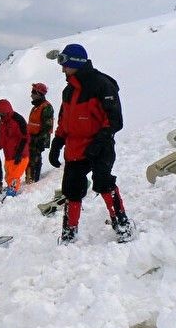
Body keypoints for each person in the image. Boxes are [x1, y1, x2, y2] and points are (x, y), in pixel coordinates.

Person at [48, 43, 134, 243]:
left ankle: (122, 224)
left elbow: (115, 120)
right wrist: (58, 141)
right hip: (75, 147)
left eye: (64, 64)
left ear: (76, 62)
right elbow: (65, 120)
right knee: (71, 189)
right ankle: (69, 232)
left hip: (99, 145)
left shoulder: (102, 85)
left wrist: (101, 140)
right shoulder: (68, 91)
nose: (62, 69)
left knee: (103, 183)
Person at [0, 99, 30, 195]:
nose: (1, 115)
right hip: (9, 155)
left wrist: (19, 152)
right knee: (8, 176)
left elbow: (25, 137)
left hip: (21, 155)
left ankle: (12, 192)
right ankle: (11, 186)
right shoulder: (2, 122)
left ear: (7, 111)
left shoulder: (18, 120)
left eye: (2, 113)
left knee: (15, 175)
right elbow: (2, 136)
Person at [25, 83, 54, 183]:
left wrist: (40, 140)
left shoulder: (46, 107)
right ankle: (30, 178)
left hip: (39, 138)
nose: (31, 95)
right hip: (32, 138)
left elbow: (47, 126)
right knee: (30, 159)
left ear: (39, 93)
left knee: (34, 159)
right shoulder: (36, 107)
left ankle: (33, 180)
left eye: (33, 92)